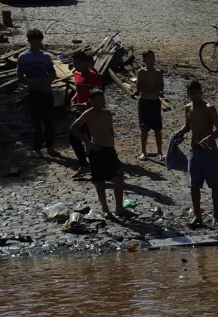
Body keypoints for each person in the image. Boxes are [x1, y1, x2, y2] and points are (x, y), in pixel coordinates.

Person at [69, 89, 128, 219]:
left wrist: (112, 145)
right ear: (92, 101)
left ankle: (119, 208)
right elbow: (74, 128)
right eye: (99, 99)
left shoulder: (107, 114)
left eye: (103, 98)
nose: (103, 101)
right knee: (99, 181)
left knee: (118, 177)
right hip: (96, 150)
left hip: (109, 150)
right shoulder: (88, 114)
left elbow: (110, 130)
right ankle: (105, 209)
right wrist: (88, 143)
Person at [174, 79, 218, 228]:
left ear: (201, 93)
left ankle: (215, 215)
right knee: (194, 186)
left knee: (215, 185)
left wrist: (210, 138)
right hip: (195, 150)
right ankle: (198, 216)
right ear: (188, 94)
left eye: (197, 93)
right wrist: (178, 133)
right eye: (192, 93)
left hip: (210, 151)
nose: (195, 96)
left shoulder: (209, 108)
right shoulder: (188, 108)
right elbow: (188, 126)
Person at [16, 28, 57, 156]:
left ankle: (50, 146)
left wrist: (47, 83)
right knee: (36, 122)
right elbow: (20, 75)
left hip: (46, 92)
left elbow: (53, 74)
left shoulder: (45, 57)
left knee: (48, 121)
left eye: (38, 41)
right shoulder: (23, 57)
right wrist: (30, 82)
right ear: (29, 41)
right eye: (34, 41)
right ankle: (37, 148)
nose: (36, 44)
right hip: (33, 92)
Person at [68, 50, 101, 177]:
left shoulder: (93, 76)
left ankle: (97, 165)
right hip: (79, 111)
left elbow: (98, 95)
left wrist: (86, 104)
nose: (74, 65)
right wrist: (73, 99)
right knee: (73, 136)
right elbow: (79, 90)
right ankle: (84, 164)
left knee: (92, 138)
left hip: (91, 112)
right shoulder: (76, 74)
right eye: (73, 62)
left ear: (84, 63)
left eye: (76, 62)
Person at [136, 50, 165, 160]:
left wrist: (149, 88)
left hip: (155, 102)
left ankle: (159, 151)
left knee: (157, 128)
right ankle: (144, 151)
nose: (151, 60)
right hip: (144, 102)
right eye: (148, 58)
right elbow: (139, 88)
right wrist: (153, 88)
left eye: (152, 58)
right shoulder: (141, 72)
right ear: (144, 60)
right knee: (144, 128)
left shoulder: (158, 72)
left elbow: (160, 87)